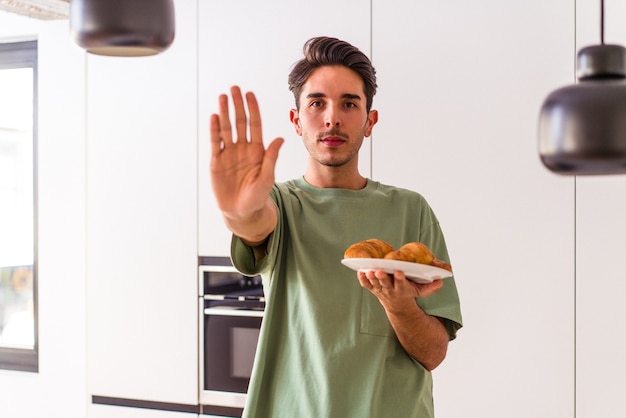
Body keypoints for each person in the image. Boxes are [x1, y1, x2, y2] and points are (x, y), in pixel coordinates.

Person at [209, 36, 462, 418]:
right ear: (296, 121)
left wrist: (398, 303)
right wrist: (237, 212)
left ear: (369, 121)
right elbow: (255, 223)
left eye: (349, 103)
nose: (332, 118)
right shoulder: (282, 203)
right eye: (316, 103)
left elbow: (433, 353)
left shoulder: (412, 210)